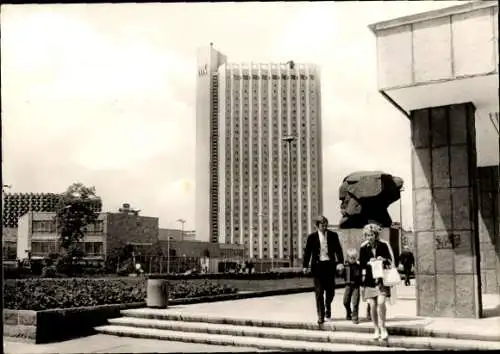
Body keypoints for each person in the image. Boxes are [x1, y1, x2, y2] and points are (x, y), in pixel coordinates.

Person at [303, 216, 345, 324]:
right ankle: (320, 315)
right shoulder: (311, 237)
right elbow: (307, 253)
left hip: (329, 266)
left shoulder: (333, 235)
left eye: (326, 224)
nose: (325, 227)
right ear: (317, 226)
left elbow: (338, 250)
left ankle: (328, 305)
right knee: (319, 292)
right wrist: (305, 266)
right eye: (322, 225)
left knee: (331, 291)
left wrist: (340, 262)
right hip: (317, 267)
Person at [359, 223, 395, 341]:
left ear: (376, 235)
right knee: (372, 305)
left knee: (381, 303)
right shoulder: (363, 247)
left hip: (382, 280)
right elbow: (362, 265)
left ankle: (383, 327)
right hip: (369, 281)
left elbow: (391, 260)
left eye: (372, 235)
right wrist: (369, 262)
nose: (370, 237)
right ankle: (376, 329)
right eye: (367, 235)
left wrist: (383, 260)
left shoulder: (384, 245)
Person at [342, 248, 362, 324]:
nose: (353, 260)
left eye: (354, 258)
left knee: (355, 302)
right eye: (351, 258)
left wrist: (361, 281)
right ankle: (349, 312)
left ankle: (355, 317)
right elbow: (340, 275)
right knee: (345, 301)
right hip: (348, 285)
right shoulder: (345, 266)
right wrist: (340, 271)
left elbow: (361, 275)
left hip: (356, 286)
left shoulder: (358, 266)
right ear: (348, 257)